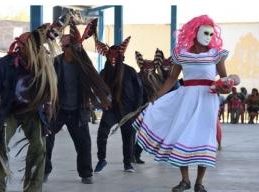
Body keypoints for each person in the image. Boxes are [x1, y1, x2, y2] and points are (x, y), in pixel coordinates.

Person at [133, 15, 231, 192]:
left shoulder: (216, 54)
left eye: (211, 33)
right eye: (204, 32)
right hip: (185, 98)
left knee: (205, 137)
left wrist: (226, 87)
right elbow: (172, 78)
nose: (208, 36)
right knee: (181, 135)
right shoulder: (181, 53)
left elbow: (225, 79)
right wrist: (158, 95)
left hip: (207, 100)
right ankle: (185, 181)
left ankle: (199, 183)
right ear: (194, 32)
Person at [0, 22, 61, 192]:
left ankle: (32, 189)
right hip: (8, 112)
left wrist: (48, 106)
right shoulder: (5, 64)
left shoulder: (43, 64)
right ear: (21, 47)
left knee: (40, 146)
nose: (35, 52)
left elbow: (49, 89)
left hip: (33, 112)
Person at [44, 18, 111, 184]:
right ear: (64, 48)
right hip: (57, 111)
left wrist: (101, 99)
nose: (75, 48)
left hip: (78, 112)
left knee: (83, 144)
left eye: (76, 45)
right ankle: (44, 170)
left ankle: (86, 174)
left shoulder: (84, 64)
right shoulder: (55, 63)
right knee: (46, 141)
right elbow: (47, 85)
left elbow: (96, 82)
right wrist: (47, 104)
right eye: (69, 46)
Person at [94, 36, 143, 173]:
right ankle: (101, 159)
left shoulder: (130, 71)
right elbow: (98, 90)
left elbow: (139, 90)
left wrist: (137, 109)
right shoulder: (104, 73)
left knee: (128, 137)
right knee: (102, 133)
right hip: (110, 110)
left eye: (116, 56)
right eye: (111, 56)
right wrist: (100, 102)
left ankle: (128, 163)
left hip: (128, 111)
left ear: (122, 57)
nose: (113, 59)